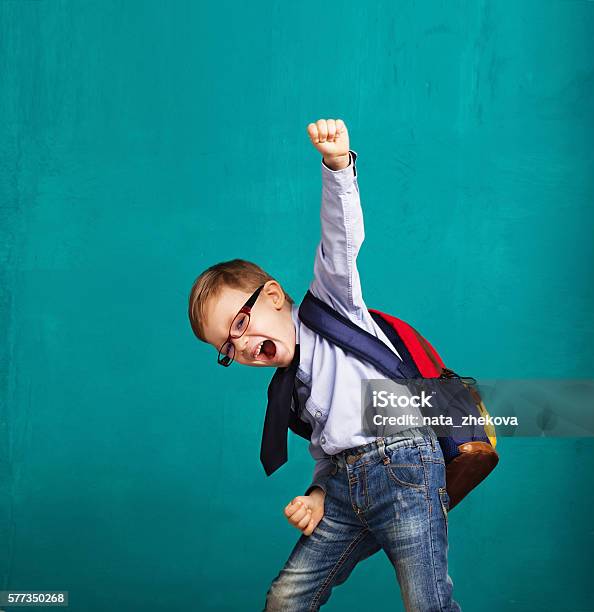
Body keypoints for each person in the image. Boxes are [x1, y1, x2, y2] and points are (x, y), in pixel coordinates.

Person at [188, 118, 461, 611]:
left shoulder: (331, 305)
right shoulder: (286, 390)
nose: (243, 345)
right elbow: (325, 449)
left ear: (273, 295)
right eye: (227, 348)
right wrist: (317, 494)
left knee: (427, 603)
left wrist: (337, 167)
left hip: (401, 463)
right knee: (286, 599)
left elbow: (341, 239)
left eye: (240, 322)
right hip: (341, 486)